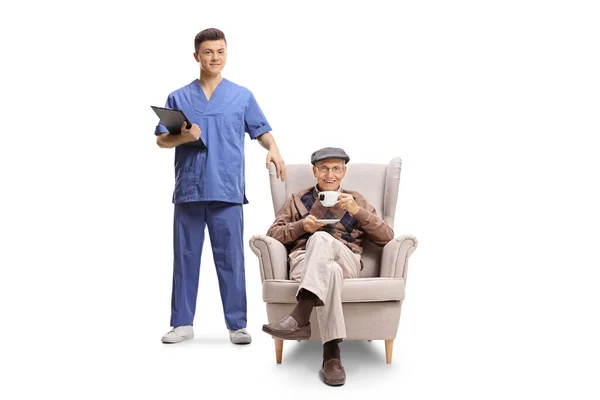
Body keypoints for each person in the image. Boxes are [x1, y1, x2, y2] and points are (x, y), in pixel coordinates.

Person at [155, 28, 285, 345]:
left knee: (231, 258)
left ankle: (237, 324)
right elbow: (161, 140)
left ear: (226, 54)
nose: (215, 57)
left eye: (221, 51)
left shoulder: (241, 96)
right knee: (185, 256)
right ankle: (182, 323)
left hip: (226, 189)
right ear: (196, 55)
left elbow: (261, 130)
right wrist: (183, 137)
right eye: (209, 52)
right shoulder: (179, 97)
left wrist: (274, 148)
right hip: (190, 188)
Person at [262, 147, 394, 386]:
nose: (329, 174)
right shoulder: (297, 199)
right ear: (315, 171)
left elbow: (387, 236)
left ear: (344, 172)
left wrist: (358, 211)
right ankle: (331, 355)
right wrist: (301, 227)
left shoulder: (357, 200)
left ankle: (300, 316)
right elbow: (273, 234)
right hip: (304, 261)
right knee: (327, 267)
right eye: (323, 168)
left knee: (323, 240)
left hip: (347, 260)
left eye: (335, 168)